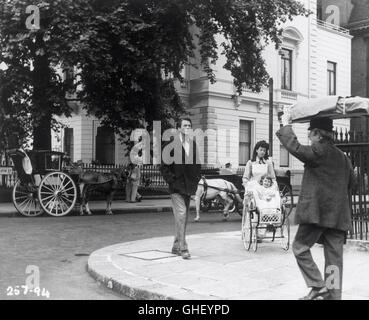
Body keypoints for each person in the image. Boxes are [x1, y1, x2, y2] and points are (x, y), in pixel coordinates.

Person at [276, 116, 354, 300]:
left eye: (310, 133)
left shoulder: (318, 151)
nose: (309, 137)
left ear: (318, 135)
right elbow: (352, 184)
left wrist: (285, 124)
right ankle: (333, 296)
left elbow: (294, 147)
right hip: (338, 217)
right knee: (334, 260)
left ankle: (317, 285)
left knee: (300, 247)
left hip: (317, 214)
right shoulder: (344, 158)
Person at [160, 117, 202, 260]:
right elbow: (163, 165)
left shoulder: (193, 144)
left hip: (189, 186)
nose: (187, 128)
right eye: (184, 125)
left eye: (189, 126)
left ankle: (176, 245)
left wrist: (196, 181)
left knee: (182, 218)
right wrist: (171, 181)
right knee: (182, 214)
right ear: (178, 128)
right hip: (176, 186)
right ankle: (183, 248)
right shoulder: (171, 143)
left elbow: (197, 165)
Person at [242, 141, 277, 240]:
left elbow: (273, 178)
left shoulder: (268, 163)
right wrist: (248, 187)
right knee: (253, 209)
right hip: (253, 188)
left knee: (265, 208)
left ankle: (261, 233)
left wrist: (272, 188)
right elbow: (245, 178)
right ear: (256, 150)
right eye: (261, 149)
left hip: (264, 189)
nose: (262, 152)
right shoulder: (251, 162)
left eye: (264, 150)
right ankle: (250, 232)